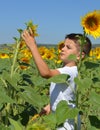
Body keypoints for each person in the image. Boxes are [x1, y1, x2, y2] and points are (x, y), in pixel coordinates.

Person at [21, 29, 92, 130]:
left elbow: (45, 73)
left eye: (68, 47)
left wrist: (33, 46)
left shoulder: (70, 72)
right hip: (63, 120)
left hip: (66, 125)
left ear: (80, 55)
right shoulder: (66, 70)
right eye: (63, 45)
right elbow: (64, 94)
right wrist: (50, 105)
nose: (63, 49)